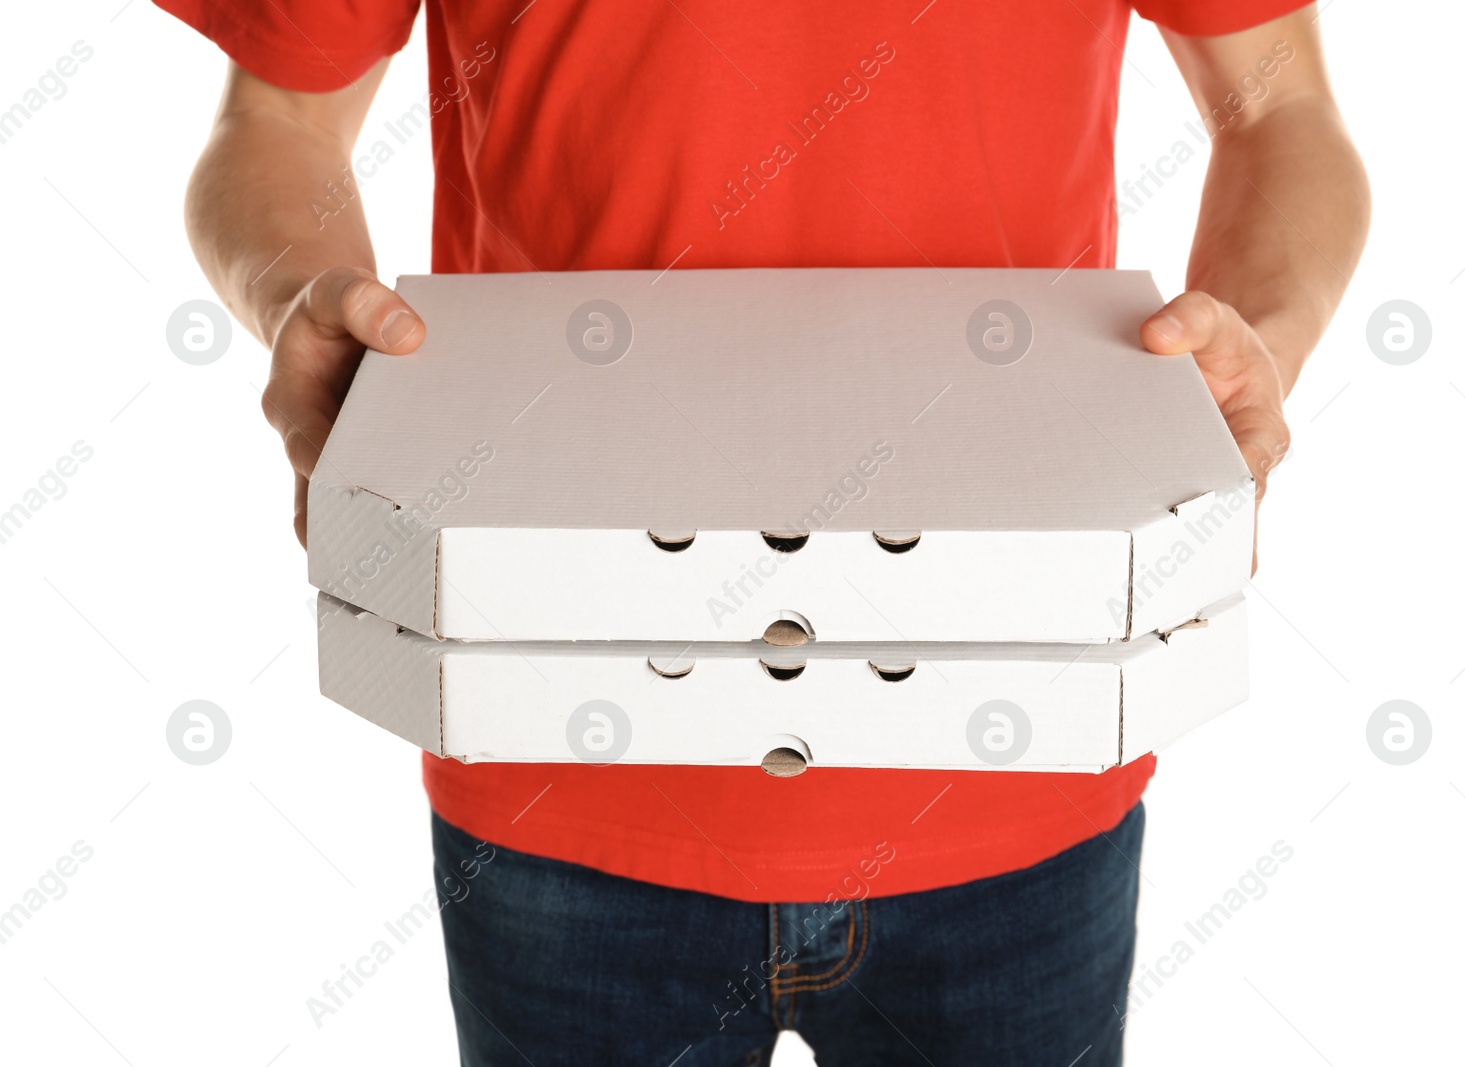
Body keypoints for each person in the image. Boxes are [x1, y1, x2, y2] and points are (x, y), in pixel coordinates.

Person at [160, 0, 1367, 1062]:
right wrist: (294, 300)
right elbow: (273, 129)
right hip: (556, 766)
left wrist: (1254, 345)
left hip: (1018, 752)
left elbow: (1280, 111)